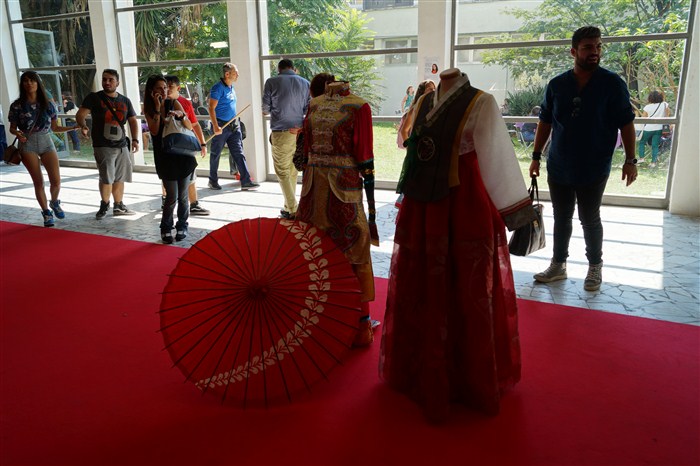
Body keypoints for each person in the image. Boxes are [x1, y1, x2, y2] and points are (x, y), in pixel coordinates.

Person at [380, 68, 535, 422]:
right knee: (422, 283)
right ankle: (421, 368)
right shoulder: (425, 102)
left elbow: (497, 158)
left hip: (464, 203)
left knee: (467, 285)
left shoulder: (481, 102)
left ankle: (466, 377)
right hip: (422, 205)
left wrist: (515, 212)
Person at [529, 26, 637, 291]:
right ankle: (558, 265)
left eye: (598, 46)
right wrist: (535, 157)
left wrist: (630, 160)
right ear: (573, 51)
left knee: (589, 218)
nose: (595, 52)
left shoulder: (612, 84)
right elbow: (545, 122)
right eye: (588, 47)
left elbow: (626, 123)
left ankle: (595, 266)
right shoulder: (557, 85)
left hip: (594, 165)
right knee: (561, 216)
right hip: (559, 164)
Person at [296, 79, 379, 347]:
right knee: (316, 248)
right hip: (316, 188)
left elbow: (364, 155)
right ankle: (323, 315)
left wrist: (371, 205)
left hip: (338, 188)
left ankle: (358, 323)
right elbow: (307, 149)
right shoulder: (317, 104)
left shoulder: (358, 106)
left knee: (351, 246)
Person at [7, 71, 78, 227]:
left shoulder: (48, 105)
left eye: (32, 80)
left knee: (56, 181)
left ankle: (54, 202)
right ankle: (46, 212)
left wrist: (73, 127)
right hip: (28, 144)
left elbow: (55, 128)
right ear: (22, 84)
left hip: (46, 141)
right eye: (25, 81)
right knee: (38, 182)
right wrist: (17, 133)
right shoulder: (17, 106)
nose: (29, 83)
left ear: (38, 83)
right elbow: (12, 128)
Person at [76, 68, 140, 219]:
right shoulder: (94, 98)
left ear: (117, 82)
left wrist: (135, 139)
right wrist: (83, 125)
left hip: (121, 145)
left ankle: (119, 205)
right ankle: (104, 205)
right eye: (104, 79)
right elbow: (80, 114)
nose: (107, 82)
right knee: (106, 177)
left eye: (111, 79)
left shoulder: (125, 100)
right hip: (103, 145)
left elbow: (132, 120)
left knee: (120, 177)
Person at [143, 75, 197, 243]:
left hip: (182, 154)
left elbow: (189, 126)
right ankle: (166, 227)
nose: (164, 91)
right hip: (164, 156)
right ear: (151, 91)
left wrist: (182, 116)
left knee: (183, 195)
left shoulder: (174, 102)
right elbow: (154, 130)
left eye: (165, 87)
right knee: (171, 195)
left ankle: (182, 225)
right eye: (159, 88)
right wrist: (157, 107)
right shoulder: (149, 108)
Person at [262, 58, 310, 220]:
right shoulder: (305, 83)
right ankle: (288, 207)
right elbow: (308, 109)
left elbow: (265, 109)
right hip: (299, 132)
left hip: (281, 131)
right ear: (293, 68)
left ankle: (294, 209)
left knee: (282, 171)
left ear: (279, 69)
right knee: (292, 171)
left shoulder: (271, 82)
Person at [207, 62, 259, 191]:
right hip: (221, 125)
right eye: (235, 72)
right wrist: (215, 126)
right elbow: (211, 108)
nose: (238, 75)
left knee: (239, 153)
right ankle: (212, 181)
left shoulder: (231, 87)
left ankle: (246, 181)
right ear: (227, 74)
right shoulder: (217, 88)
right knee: (215, 154)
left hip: (234, 125)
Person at [164, 75, 210, 216]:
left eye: (170, 86)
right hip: (168, 146)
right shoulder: (161, 103)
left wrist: (202, 143)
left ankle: (194, 203)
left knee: (190, 175)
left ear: (178, 88)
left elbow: (194, 125)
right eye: (165, 86)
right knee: (168, 176)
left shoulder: (185, 103)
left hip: (185, 146)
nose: (167, 89)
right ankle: (165, 199)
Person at [395, 79, 436, 208]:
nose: (433, 91)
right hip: (417, 152)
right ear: (422, 92)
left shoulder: (435, 107)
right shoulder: (415, 109)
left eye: (434, 89)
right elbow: (404, 131)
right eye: (429, 89)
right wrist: (410, 145)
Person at [638, 90, 670, 168]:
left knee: (642, 142)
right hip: (659, 128)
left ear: (650, 98)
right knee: (655, 145)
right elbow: (667, 116)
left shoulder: (647, 107)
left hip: (648, 128)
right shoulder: (664, 104)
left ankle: (641, 158)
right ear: (660, 97)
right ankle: (653, 163)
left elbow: (643, 119)